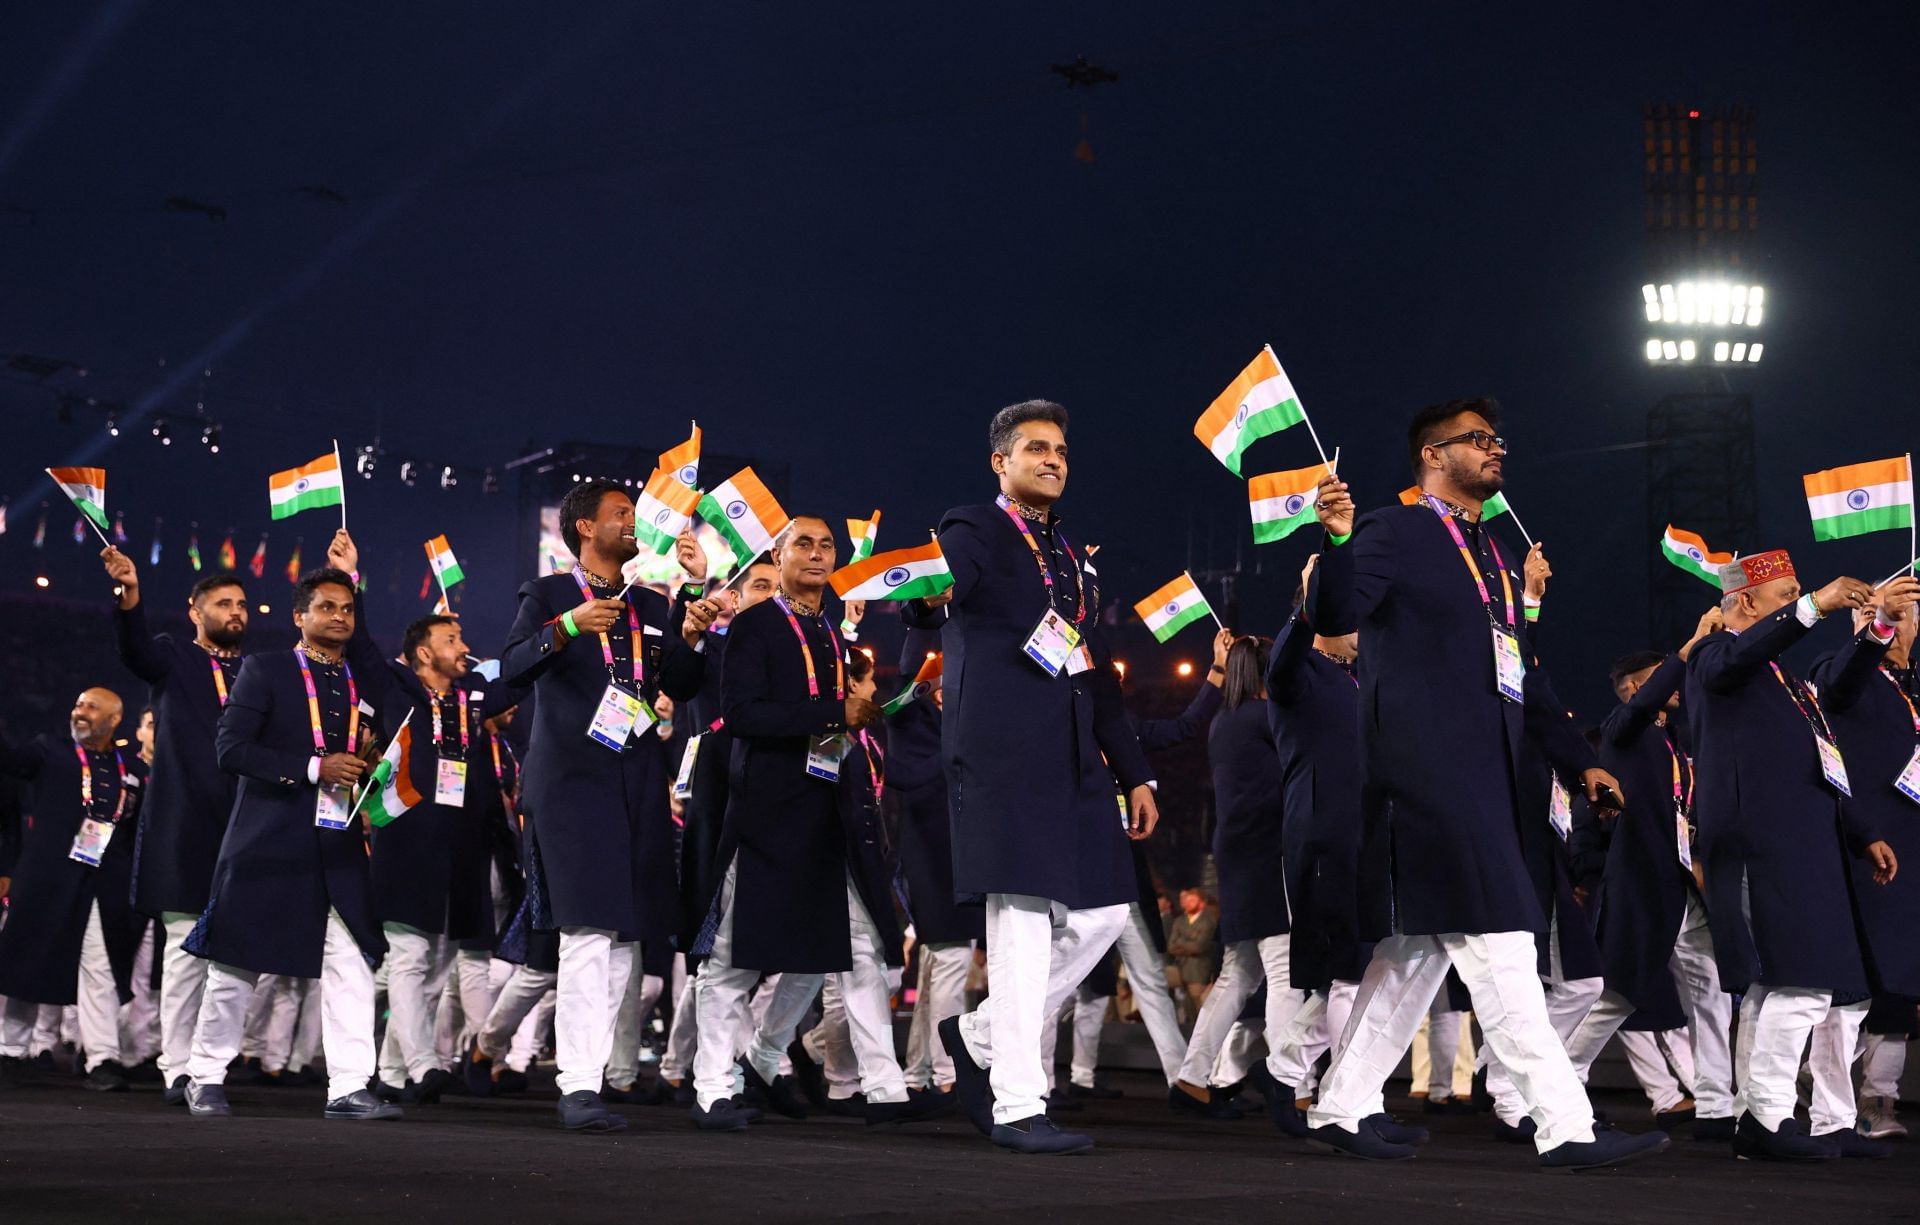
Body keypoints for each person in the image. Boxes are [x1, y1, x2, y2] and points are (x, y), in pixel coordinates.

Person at [1304, 397, 1665, 1170]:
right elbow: (1333, 617)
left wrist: (1580, 760)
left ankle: (1340, 1105)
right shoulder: (1389, 529)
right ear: (1434, 455)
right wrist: (1334, 540)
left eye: (1497, 438)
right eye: (1478, 439)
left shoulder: (1494, 552)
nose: (1495, 449)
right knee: (1499, 939)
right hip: (1426, 774)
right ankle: (1564, 1121)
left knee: (1416, 952)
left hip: (1491, 777)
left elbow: (1521, 675)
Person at [924, 398, 1158, 1156]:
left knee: (1107, 912)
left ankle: (982, 1033)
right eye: (1036, 448)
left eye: (1061, 449)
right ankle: (1019, 1103)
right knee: (1022, 924)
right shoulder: (974, 526)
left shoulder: (1069, 558)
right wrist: (927, 597)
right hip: (1001, 753)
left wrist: (1136, 773)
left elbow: (1093, 675)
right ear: (1001, 461)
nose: (1053, 459)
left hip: (1074, 759)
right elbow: (940, 589)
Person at [690, 516, 941, 1130]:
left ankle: (880, 1089)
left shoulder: (828, 630)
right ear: (778, 555)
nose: (817, 554)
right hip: (765, 813)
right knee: (730, 958)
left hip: (825, 812)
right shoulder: (753, 625)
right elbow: (743, 714)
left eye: (827, 545)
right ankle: (712, 1089)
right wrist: (835, 709)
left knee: (844, 947)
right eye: (803, 543)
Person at [499, 481, 717, 1131]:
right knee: (588, 933)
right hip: (571, 784)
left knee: (626, 937)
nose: (632, 522)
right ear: (585, 528)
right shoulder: (548, 595)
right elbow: (511, 666)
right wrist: (566, 627)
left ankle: (594, 1075)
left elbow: (682, 681)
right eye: (620, 513)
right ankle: (576, 1083)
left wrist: (697, 614)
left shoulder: (651, 600)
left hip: (638, 782)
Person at [182, 533, 404, 1120]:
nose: (339, 617)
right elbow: (230, 750)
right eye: (326, 607)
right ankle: (203, 1074)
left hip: (339, 841)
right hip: (268, 836)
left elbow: (391, 723)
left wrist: (372, 769)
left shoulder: (363, 680)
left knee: (352, 958)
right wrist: (313, 767)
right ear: (298, 617)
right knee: (236, 962)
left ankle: (350, 1086)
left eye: (348, 609)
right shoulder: (267, 668)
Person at [1685, 550, 1899, 1160]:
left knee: (1782, 985)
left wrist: (1877, 627)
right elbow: (1738, 655)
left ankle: (1762, 1118)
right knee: (1800, 983)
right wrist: (1814, 608)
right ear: (1745, 604)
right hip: (1761, 843)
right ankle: (1768, 1119)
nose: (1797, 606)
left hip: (1804, 844)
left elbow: (1823, 758)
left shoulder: (1782, 680)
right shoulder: (1713, 657)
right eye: (1785, 596)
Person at [1562, 613, 1736, 1140]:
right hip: (1641, 884)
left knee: (1712, 993)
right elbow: (1637, 709)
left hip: (1681, 885)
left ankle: (1715, 1106)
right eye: (1667, 677)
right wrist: (1687, 651)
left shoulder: (1673, 740)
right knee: (1619, 994)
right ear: (1638, 688)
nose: (1680, 686)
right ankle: (1560, 1082)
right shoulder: (1622, 730)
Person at [102, 549, 249, 1105]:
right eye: (222, 603)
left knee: (232, 956)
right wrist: (129, 595)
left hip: (243, 828)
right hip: (184, 826)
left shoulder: (257, 670)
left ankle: (212, 1063)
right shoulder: (172, 657)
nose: (235, 612)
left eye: (240, 604)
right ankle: (177, 1068)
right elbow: (134, 650)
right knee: (185, 954)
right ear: (194, 611)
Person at [1174, 633, 1327, 1127]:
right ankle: (1293, 1088)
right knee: (1284, 973)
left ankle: (1195, 1078)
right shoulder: (1269, 718)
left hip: (1235, 853)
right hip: (1271, 852)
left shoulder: (1223, 722)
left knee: (1237, 973)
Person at [371, 614, 521, 1104]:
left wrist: (560, 630)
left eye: (462, 637)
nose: (464, 647)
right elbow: (361, 651)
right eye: (450, 640)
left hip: (460, 847)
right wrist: (351, 578)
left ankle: (392, 1075)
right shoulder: (396, 689)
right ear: (420, 654)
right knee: (410, 959)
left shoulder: (473, 697)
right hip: (406, 841)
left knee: (436, 965)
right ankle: (420, 1065)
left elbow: (522, 674)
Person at [1808, 574, 1920, 1146]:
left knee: (1902, 979)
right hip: (1868, 847)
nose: (1899, 621)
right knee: (1857, 983)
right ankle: (1841, 1102)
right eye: (1882, 614)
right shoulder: (1840, 674)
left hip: (1915, 849)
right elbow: (1838, 683)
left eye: (1905, 613)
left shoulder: (1916, 685)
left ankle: (1881, 1094)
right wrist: (1875, 628)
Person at [1262, 558, 1367, 1130]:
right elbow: (1280, 661)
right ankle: (1348, 1103)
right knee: (1347, 971)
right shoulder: (1297, 675)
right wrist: (1308, 600)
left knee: (1359, 970)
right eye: (1352, 620)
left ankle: (1284, 1074)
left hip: (1365, 836)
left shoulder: (1358, 680)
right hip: (1323, 834)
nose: (1364, 631)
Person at [0, 687, 146, 1091]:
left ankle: (102, 1059)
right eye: (79, 705)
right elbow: (10, 760)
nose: (80, 712)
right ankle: (11, 1051)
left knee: (99, 969)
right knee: (27, 958)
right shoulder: (50, 750)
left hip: (103, 881)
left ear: (114, 719)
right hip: (47, 875)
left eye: (91, 707)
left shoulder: (130, 767)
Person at [886, 621, 984, 1096]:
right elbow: (906, 677)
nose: (948, 694)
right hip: (929, 858)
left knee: (939, 964)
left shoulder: (963, 726)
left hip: (956, 859)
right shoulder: (911, 720)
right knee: (949, 959)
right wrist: (923, 619)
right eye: (941, 685)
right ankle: (948, 1076)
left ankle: (920, 1071)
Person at [1166, 889, 1220, 1010]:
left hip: (1199, 970)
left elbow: (1199, 947)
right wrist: (1190, 945)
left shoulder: (1209, 921)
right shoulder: (1180, 921)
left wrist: (1180, 941)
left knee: (1199, 1006)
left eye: (1192, 900)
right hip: (1181, 967)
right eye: (1186, 900)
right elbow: (1171, 946)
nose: (1188, 903)